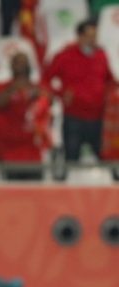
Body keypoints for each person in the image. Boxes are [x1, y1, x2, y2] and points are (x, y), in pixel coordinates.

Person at [42, 19, 114, 181]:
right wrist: (60, 94)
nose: (92, 40)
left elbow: (109, 80)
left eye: (95, 36)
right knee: (71, 159)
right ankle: (63, 197)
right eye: (89, 36)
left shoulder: (101, 55)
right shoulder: (65, 55)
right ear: (79, 36)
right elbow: (45, 79)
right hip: (74, 117)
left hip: (98, 118)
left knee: (107, 159)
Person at [0, 52, 51, 180]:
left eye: (23, 63)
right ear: (11, 67)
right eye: (17, 63)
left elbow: (50, 99)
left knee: (34, 195)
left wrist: (36, 93)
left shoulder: (37, 87)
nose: (20, 66)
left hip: (33, 152)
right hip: (9, 152)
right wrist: (13, 90)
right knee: (11, 196)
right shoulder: (2, 87)